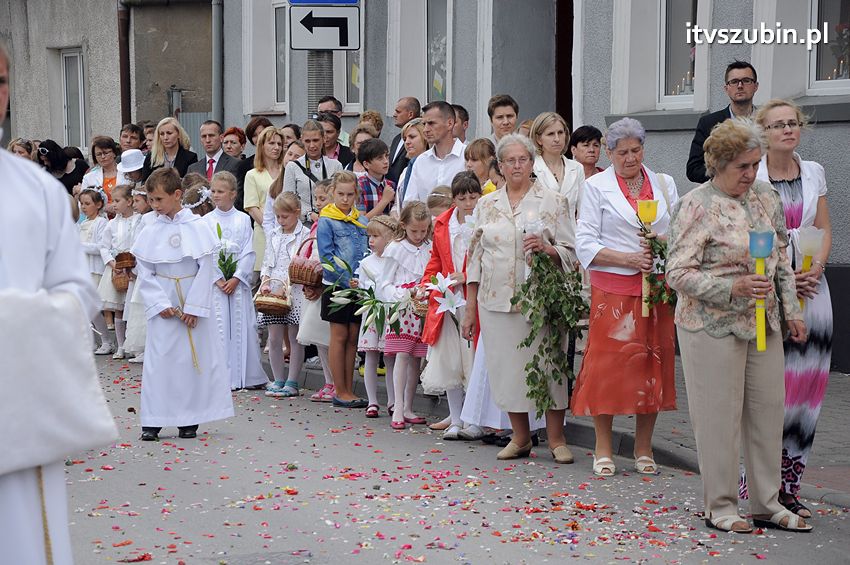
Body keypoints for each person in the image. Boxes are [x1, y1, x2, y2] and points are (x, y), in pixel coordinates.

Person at [0, 44, 118, 562]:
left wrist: (18, 322)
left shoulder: (36, 189)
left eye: (0, 81)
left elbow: (78, 289)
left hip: (18, 400)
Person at [666, 118, 811, 533]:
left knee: (768, 414)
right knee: (719, 418)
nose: (751, 175)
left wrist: (792, 311)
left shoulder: (765, 196)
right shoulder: (696, 204)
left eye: (755, 164)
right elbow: (677, 271)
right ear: (718, 165)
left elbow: (782, 259)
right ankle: (722, 505)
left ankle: (767, 502)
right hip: (710, 325)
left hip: (763, 324)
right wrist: (733, 287)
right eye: (742, 167)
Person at [571, 117, 678, 476]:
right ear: (609, 152)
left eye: (636, 150)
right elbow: (585, 241)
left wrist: (659, 248)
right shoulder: (597, 186)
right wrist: (629, 258)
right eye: (622, 152)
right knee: (608, 367)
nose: (630, 158)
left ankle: (643, 448)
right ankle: (603, 448)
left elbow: (677, 234)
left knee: (652, 365)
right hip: (614, 287)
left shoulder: (663, 183)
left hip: (656, 287)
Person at [461, 133, 577, 463]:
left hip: (541, 298)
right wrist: (470, 307)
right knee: (506, 370)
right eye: (509, 160)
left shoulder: (552, 202)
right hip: (495, 299)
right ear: (499, 165)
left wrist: (548, 249)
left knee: (548, 365)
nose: (516, 166)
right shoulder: (486, 203)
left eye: (522, 159)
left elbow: (572, 252)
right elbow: (474, 258)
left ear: (532, 162)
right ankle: (521, 436)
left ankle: (556, 439)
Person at [749, 99, 832, 518]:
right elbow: (748, 234)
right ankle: (757, 487)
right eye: (778, 124)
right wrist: (786, 274)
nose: (787, 129)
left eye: (793, 123)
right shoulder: (752, 172)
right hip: (770, 285)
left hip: (813, 287)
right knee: (770, 390)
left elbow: (824, 227)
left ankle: (790, 486)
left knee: (805, 390)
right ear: (762, 131)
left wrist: (815, 268)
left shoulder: (814, 170)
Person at [132, 168, 233, 442]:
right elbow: (145, 269)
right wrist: (159, 302)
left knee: (190, 362)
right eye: (151, 200)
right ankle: (153, 419)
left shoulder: (198, 227)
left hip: (191, 297)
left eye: (158, 200)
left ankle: (189, 420)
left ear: (177, 195)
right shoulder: (149, 226)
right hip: (164, 299)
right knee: (160, 360)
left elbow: (206, 267)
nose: (154, 206)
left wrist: (194, 308)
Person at [420, 171, 481, 439]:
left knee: (473, 360)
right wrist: (427, 283)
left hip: (474, 297)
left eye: (473, 196)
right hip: (448, 298)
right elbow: (435, 259)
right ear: (453, 199)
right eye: (462, 197)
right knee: (450, 360)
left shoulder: (484, 221)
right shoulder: (443, 223)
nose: (468, 203)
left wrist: (466, 276)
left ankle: (473, 419)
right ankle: (456, 418)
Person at [378, 201, 433, 430]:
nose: (419, 235)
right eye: (414, 231)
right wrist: (404, 293)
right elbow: (384, 284)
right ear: (404, 226)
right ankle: (398, 406)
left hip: (423, 307)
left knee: (416, 360)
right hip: (402, 308)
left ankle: (409, 406)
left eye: (423, 230)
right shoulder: (396, 248)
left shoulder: (429, 247)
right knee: (402, 355)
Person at [317, 171, 370, 407]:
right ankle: (340, 390)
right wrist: (345, 278)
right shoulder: (326, 220)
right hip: (337, 286)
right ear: (332, 194)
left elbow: (367, 252)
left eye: (350, 194)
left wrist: (364, 278)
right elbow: (326, 257)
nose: (345, 199)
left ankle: (349, 387)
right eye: (340, 194)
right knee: (339, 336)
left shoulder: (363, 221)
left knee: (353, 337)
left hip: (360, 286)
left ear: (356, 194)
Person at [260, 192, 310, 397]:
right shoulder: (273, 233)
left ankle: (292, 381)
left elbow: (302, 261)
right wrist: (264, 281)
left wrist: (287, 284)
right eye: (278, 217)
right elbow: (267, 261)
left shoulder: (305, 234)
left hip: (295, 288)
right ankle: (278, 378)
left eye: (285, 217)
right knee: (273, 337)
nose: (281, 221)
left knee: (295, 336)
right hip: (273, 286)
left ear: (297, 213)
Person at [295, 180, 339, 402]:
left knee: (327, 337)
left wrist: (319, 282)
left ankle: (336, 381)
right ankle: (328, 381)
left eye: (323, 198)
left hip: (326, 284)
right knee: (319, 340)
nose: (318, 203)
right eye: (317, 199)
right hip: (312, 283)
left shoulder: (331, 224)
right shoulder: (316, 224)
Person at [687, 60, 759, 183]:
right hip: (722, 196)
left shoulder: (768, 122)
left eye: (746, 80)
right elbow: (693, 169)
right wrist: (726, 175)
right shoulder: (709, 123)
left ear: (756, 86)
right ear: (726, 88)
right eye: (734, 82)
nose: (740, 86)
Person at [356, 215, 398, 417]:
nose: (371, 240)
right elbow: (363, 287)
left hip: (390, 313)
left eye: (376, 236)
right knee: (370, 357)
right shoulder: (366, 262)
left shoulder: (395, 260)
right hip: (373, 314)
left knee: (390, 358)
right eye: (369, 236)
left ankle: (392, 400)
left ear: (389, 238)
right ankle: (372, 401)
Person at [97, 184, 143, 359]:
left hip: (133, 267)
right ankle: (121, 345)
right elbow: (104, 247)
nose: (113, 205)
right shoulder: (112, 224)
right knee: (118, 309)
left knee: (132, 307)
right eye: (111, 201)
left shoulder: (139, 220)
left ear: (130, 201)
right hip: (116, 268)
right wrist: (111, 263)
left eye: (117, 201)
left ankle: (133, 343)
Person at [402, 101, 466, 206]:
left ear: (449, 123)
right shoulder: (421, 161)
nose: (426, 129)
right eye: (424, 124)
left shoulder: (467, 157)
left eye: (431, 123)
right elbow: (410, 203)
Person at [283, 119, 343, 224]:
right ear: (301, 140)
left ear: (323, 139)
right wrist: (308, 214)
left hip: (332, 222)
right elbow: (288, 202)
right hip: (304, 225)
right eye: (307, 141)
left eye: (315, 140)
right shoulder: (293, 167)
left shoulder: (336, 165)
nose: (311, 145)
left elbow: (341, 197)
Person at [244, 127, 285, 283]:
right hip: (263, 234)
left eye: (279, 144)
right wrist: (272, 229)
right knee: (260, 283)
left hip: (287, 232)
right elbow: (252, 207)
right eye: (271, 143)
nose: (276, 147)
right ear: (262, 145)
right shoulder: (253, 174)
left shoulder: (287, 170)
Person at [530, 112, 585, 221]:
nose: (557, 139)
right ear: (538, 139)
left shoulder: (577, 168)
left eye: (560, 132)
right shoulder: (531, 168)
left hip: (571, 235)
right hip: (541, 235)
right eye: (550, 134)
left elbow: (583, 211)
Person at [123, 184, 156, 364]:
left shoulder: (152, 219)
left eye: (137, 201)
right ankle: (142, 347)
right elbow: (137, 244)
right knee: (139, 307)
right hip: (141, 265)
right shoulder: (144, 219)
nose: (134, 204)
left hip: (152, 265)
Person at [78, 187, 111, 352]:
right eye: (81, 203)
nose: (83, 207)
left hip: (95, 270)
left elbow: (101, 247)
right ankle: (91, 340)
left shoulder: (102, 223)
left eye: (87, 203)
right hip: (84, 269)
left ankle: (106, 340)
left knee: (94, 308)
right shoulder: (83, 223)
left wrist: (80, 246)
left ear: (98, 204)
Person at [236, 116, 274, 209]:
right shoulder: (244, 166)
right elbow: (242, 199)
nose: (258, 138)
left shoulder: (282, 162)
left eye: (262, 133)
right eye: (254, 135)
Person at [356, 138, 396, 219]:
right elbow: (361, 222)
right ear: (366, 164)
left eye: (387, 156)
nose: (386, 161)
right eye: (380, 158)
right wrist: (384, 201)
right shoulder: (358, 186)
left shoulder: (391, 185)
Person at [394, 118, 428, 207]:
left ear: (425, 137)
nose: (407, 142)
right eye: (405, 139)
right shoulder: (405, 170)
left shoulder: (431, 166)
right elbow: (399, 200)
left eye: (412, 137)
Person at [388, 96, 421, 185]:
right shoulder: (396, 139)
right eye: (405, 138)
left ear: (410, 114)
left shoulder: (421, 137)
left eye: (398, 112)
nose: (394, 115)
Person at [81, 136, 121, 202]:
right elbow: (82, 203)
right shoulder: (88, 178)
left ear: (114, 153)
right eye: (99, 154)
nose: (103, 157)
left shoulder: (126, 174)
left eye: (106, 153)